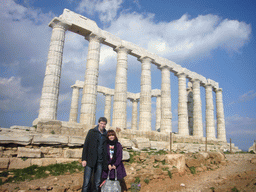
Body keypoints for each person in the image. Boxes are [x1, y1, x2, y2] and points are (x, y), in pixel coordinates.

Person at [82, 117, 108, 192]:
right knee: (86, 182)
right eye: (101, 123)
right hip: (90, 160)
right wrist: (84, 159)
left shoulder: (106, 134)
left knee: (97, 182)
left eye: (104, 124)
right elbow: (86, 145)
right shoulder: (91, 132)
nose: (102, 125)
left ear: (106, 125)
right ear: (98, 123)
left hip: (100, 161)